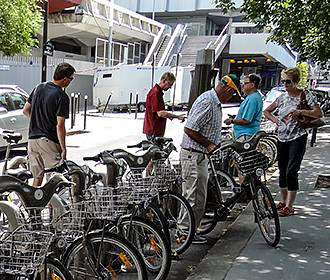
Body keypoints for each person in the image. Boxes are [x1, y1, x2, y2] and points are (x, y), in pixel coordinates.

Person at [180, 74, 241, 244]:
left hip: (199, 154)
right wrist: (208, 144)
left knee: (199, 196)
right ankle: (185, 232)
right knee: (193, 196)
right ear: (228, 89)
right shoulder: (208, 101)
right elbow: (190, 128)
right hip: (193, 153)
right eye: (232, 94)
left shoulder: (214, 101)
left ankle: (190, 229)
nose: (231, 97)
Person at [264, 67, 322, 217]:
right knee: (282, 170)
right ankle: (284, 201)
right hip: (282, 136)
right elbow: (267, 111)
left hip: (298, 136)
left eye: (288, 81)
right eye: (283, 81)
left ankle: (290, 205)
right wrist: (276, 120)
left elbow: (318, 113)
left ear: (295, 81)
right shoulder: (282, 97)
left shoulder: (305, 95)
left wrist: (300, 111)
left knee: (291, 171)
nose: (285, 84)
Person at [23, 62, 76, 186]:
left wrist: (38, 119)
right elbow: (60, 126)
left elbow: (25, 110)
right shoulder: (62, 96)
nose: (70, 81)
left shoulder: (38, 88)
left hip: (32, 140)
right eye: (71, 78)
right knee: (54, 178)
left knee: (37, 177)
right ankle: (54, 206)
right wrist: (64, 149)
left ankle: (32, 205)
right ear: (64, 79)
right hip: (48, 141)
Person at [143, 72, 186, 140]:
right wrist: (177, 116)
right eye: (170, 84)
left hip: (154, 131)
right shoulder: (155, 93)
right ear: (164, 81)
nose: (170, 87)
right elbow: (160, 113)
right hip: (154, 131)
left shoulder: (157, 92)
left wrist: (169, 116)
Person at [224, 73, 263, 141]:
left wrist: (231, 121)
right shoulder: (253, 97)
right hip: (245, 133)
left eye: (245, 83)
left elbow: (246, 120)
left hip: (245, 134)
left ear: (252, 85)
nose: (242, 85)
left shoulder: (252, 99)